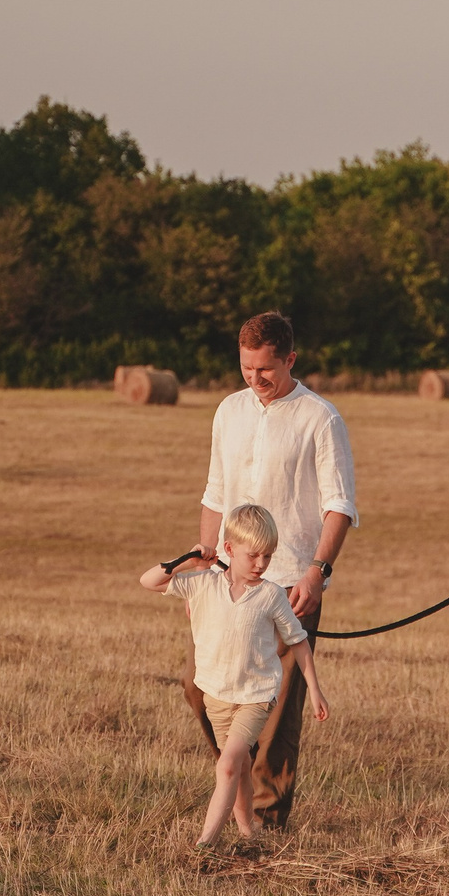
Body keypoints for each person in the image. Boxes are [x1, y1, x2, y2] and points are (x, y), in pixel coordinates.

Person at [186, 310, 357, 827]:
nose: (256, 380)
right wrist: (204, 555)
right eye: (246, 369)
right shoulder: (228, 411)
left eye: (266, 370)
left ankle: (265, 817)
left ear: (290, 359)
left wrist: (316, 571)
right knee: (201, 688)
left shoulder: (320, 418)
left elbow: (340, 504)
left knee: (277, 707)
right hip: (226, 581)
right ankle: (234, 780)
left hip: (287, 582)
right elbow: (216, 491)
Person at [144, 504, 329, 848]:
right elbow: (149, 581)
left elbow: (299, 643)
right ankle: (250, 836)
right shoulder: (202, 584)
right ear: (229, 550)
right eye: (253, 555)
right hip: (216, 694)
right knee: (241, 765)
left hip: (256, 697)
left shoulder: (272, 595)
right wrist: (190, 559)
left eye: (268, 557)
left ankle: (205, 845)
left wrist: (315, 692)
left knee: (228, 766)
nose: (261, 564)